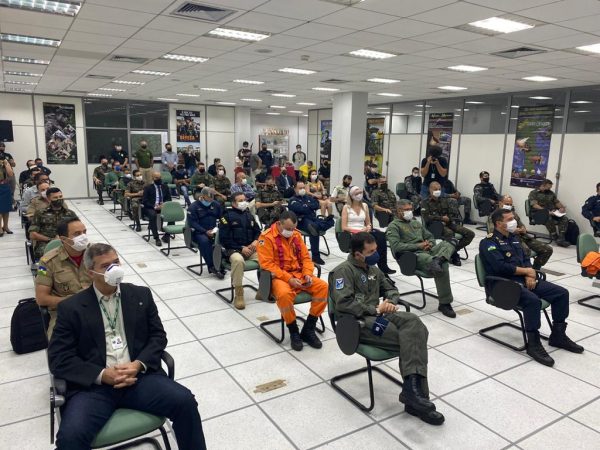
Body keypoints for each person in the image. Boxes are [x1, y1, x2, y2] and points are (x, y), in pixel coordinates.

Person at [48, 243, 207, 449]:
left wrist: (138, 364)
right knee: (70, 438)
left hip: (138, 378)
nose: (114, 269)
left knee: (185, 402)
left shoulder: (140, 295)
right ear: (91, 272)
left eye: (116, 262)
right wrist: (102, 375)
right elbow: (59, 358)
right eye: (106, 266)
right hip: (94, 388)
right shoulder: (72, 308)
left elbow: (158, 336)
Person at [330, 232, 445, 425]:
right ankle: (417, 398)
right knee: (412, 340)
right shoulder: (343, 271)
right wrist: (375, 309)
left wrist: (390, 301)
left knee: (415, 323)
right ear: (358, 254)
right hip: (357, 322)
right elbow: (344, 304)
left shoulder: (374, 270)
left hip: (380, 314)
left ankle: (413, 394)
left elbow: (391, 289)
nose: (376, 254)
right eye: (371, 251)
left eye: (376, 249)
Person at [479, 209, 584, 366]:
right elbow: (500, 267)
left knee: (561, 293)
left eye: (513, 218)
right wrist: (526, 272)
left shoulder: (514, 238)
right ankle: (533, 344)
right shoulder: (489, 242)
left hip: (523, 279)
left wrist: (530, 274)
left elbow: (525, 258)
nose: (514, 221)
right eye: (509, 219)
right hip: (502, 284)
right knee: (532, 301)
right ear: (499, 223)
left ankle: (558, 336)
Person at [257, 211, 328, 351]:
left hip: (299, 274)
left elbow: (306, 258)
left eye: (293, 228)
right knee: (284, 295)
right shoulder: (266, 237)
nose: (291, 231)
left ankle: (309, 328)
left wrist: (307, 274)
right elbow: (267, 265)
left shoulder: (296, 234)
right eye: (288, 228)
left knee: (323, 287)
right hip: (279, 277)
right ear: (279, 223)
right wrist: (289, 279)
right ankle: (293, 330)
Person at [386, 200, 457, 318]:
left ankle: (437, 260)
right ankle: (445, 303)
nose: (410, 212)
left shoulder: (415, 222)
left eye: (411, 209)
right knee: (443, 265)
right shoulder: (394, 226)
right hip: (412, 256)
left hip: (427, 250)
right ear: (399, 210)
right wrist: (419, 246)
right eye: (407, 209)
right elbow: (396, 247)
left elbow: (430, 236)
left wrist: (430, 244)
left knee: (450, 242)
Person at [35, 217, 91, 337]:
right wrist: (74, 302)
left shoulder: (95, 254)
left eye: (84, 232)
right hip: (65, 312)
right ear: (63, 239)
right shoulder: (46, 262)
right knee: (61, 345)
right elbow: (41, 298)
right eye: (77, 234)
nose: (83, 237)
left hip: (96, 306)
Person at [218, 192, 261, 309]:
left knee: (266, 258)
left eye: (244, 200)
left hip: (250, 248)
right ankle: (239, 294)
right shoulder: (226, 217)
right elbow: (224, 239)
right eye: (240, 201)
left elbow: (258, 231)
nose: (244, 202)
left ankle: (263, 289)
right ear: (233, 203)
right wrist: (241, 248)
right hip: (233, 249)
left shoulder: (249, 215)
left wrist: (256, 240)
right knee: (238, 261)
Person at [487, 195, 553, 270]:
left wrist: (523, 229)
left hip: (522, 237)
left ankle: (535, 269)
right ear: (500, 203)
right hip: (507, 240)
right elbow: (492, 232)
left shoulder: (512, 214)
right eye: (507, 204)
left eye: (510, 204)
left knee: (547, 249)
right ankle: (524, 269)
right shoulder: (494, 216)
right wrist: (512, 231)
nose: (509, 206)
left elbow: (521, 225)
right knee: (525, 252)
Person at [341, 186, 396, 275]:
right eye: (356, 193)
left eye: (360, 192)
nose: (359, 194)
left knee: (381, 237)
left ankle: (383, 266)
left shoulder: (365, 206)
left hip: (364, 231)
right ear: (351, 195)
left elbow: (368, 223)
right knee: (368, 241)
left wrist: (368, 227)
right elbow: (344, 227)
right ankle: (370, 265)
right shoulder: (346, 207)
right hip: (353, 232)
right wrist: (358, 231)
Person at [421, 181, 474, 266]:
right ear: (430, 190)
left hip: (448, 223)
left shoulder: (444, 200)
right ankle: (454, 256)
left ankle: (452, 251)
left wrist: (448, 219)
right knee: (450, 233)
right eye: (435, 189)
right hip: (434, 226)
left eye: (439, 189)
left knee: (470, 234)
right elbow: (426, 218)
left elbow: (451, 214)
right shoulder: (425, 202)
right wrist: (441, 218)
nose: (438, 191)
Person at [288, 181, 334, 265]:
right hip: (302, 221)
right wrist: (309, 206)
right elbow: (301, 209)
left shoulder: (308, 197)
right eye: (300, 188)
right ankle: (316, 257)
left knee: (331, 221)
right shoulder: (292, 200)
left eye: (303, 188)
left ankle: (318, 226)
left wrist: (307, 206)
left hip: (313, 219)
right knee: (313, 229)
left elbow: (316, 204)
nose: (302, 189)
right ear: (295, 189)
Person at [29, 187, 78, 260]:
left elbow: (78, 230)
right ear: (49, 199)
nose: (59, 199)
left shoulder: (70, 213)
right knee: (48, 255)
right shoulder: (40, 213)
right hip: (46, 242)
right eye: (55, 197)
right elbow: (33, 235)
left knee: (78, 252)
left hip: (66, 242)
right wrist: (51, 240)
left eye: (60, 196)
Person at [187, 187, 224, 279]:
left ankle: (220, 263)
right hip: (199, 232)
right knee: (205, 242)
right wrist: (205, 231)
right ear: (203, 196)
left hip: (214, 230)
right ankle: (212, 266)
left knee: (224, 238)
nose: (211, 199)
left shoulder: (215, 204)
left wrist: (225, 224)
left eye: (212, 197)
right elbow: (193, 223)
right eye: (209, 197)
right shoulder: (193, 207)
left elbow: (222, 217)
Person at [528, 179, 571, 247]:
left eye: (550, 187)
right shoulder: (534, 193)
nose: (549, 189)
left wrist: (562, 208)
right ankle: (555, 237)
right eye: (548, 187)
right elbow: (534, 205)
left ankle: (561, 238)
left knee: (564, 218)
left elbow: (556, 202)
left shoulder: (550, 193)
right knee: (548, 218)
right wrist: (546, 212)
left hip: (551, 212)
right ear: (543, 185)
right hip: (538, 213)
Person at [141, 172, 172, 247]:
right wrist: (154, 206)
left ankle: (166, 235)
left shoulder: (165, 187)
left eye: (160, 177)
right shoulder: (148, 187)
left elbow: (169, 199)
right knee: (153, 215)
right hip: (151, 207)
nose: (159, 179)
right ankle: (156, 238)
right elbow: (144, 201)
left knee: (172, 214)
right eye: (157, 178)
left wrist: (164, 204)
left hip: (162, 206)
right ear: (153, 178)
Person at [0, 154, 15, 235]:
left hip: (5, 186)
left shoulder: (4, 162)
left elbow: (11, 174)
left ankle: (5, 226)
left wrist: (6, 163)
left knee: (6, 208)